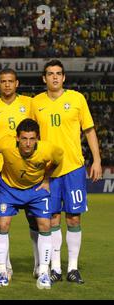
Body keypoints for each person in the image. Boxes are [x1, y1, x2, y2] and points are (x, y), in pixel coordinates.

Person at [31, 59, 102, 284]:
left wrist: (97, 160)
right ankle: (55, 268)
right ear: (44, 78)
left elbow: (89, 131)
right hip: (47, 172)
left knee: (73, 218)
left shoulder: (77, 99)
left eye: (58, 73)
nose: (54, 77)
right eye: (50, 73)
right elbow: (30, 137)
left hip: (73, 168)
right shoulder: (36, 103)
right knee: (51, 219)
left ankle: (72, 268)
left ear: (64, 78)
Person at [0, 119, 63, 289]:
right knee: (2, 224)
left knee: (45, 225)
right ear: (17, 138)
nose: (28, 143)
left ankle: (44, 273)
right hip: (8, 188)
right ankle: (2, 271)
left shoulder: (49, 149)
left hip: (35, 189)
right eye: (24, 138)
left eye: (32, 139)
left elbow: (58, 160)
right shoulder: (5, 144)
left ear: (38, 138)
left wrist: (46, 178)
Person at [0, 69, 33, 279]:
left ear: (17, 83)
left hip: (29, 171)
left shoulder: (29, 104)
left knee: (37, 221)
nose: (6, 85)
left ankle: (41, 265)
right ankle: (5, 265)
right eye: (3, 81)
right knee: (2, 222)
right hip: (0, 171)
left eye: (10, 81)